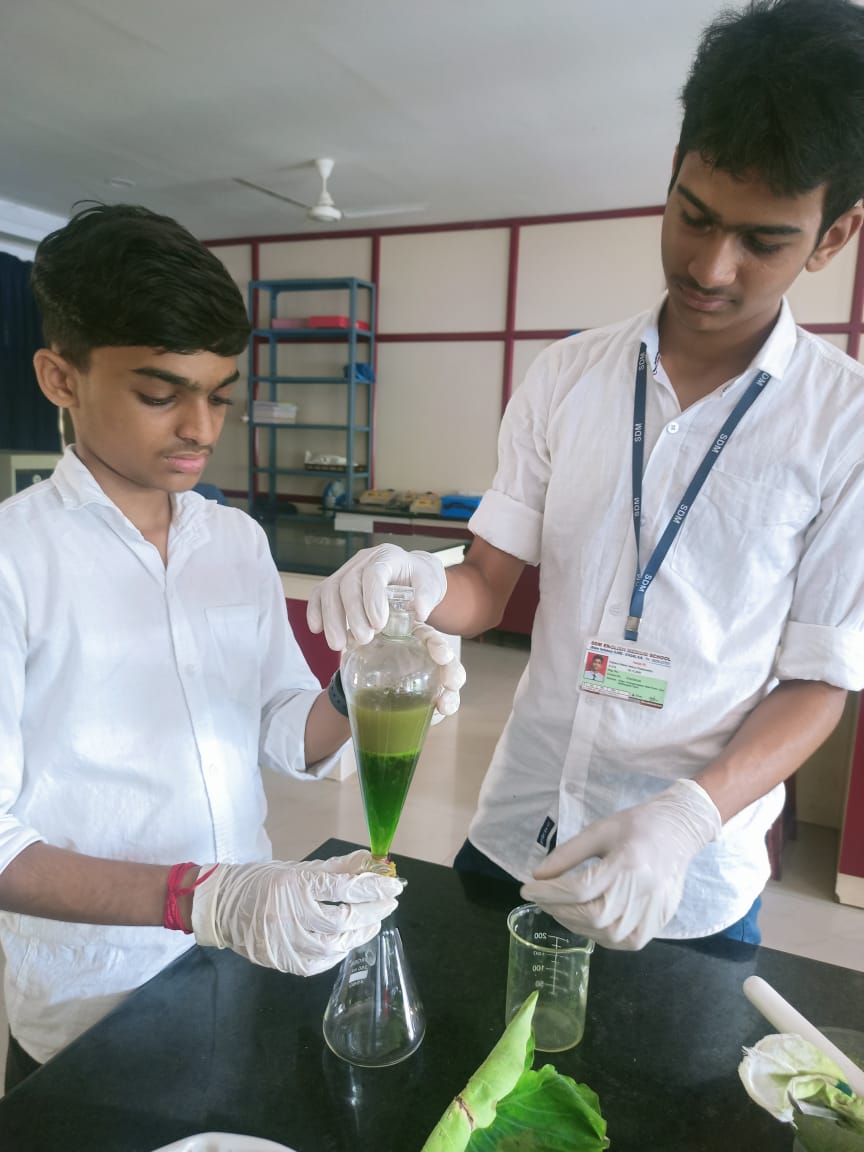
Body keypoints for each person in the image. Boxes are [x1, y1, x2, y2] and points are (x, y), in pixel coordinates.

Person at [308, 0, 864, 952]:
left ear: (833, 236)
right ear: (674, 172)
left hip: (685, 875)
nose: (710, 266)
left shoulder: (844, 423)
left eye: (763, 240)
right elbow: (487, 587)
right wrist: (416, 579)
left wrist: (686, 818)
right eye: (692, 216)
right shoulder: (568, 375)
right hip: (516, 827)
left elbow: (819, 682)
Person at [0, 203, 464, 1088]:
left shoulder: (235, 543)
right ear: (60, 378)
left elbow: (282, 728)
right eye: (159, 394)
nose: (202, 430)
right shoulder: (14, 561)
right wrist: (203, 898)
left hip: (248, 964)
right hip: (93, 1001)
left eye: (219, 396)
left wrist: (364, 689)